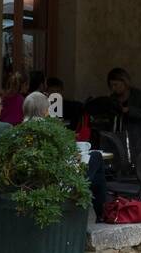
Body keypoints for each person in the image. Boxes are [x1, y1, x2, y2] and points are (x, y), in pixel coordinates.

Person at [21, 90, 109, 221]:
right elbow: (69, 156)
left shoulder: (18, 131)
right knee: (96, 157)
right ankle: (101, 212)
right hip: (59, 184)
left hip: (29, 183)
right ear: (45, 111)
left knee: (96, 176)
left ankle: (100, 211)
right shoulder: (51, 129)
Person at [107, 67, 141, 158]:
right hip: (117, 138)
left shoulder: (139, 96)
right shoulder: (113, 98)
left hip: (135, 140)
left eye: (116, 85)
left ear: (125, 83)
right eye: (111, 86)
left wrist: (130, 110)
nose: (114, 88)